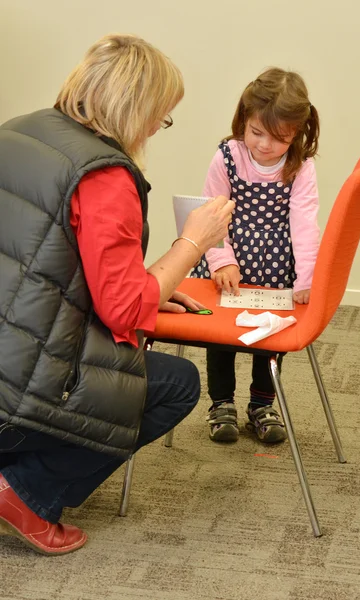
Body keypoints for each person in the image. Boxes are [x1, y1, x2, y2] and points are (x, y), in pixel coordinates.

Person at [0, 33, 234, 555]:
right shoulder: (103, 175)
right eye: (160, 115)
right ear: (136, 107)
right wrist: (192, 242)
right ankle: (24, 492)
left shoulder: (19, 132)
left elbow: (43, 264)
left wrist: (152, 283)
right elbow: (124, 310)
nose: (157, 129)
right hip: (14, 400)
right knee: (176, 384)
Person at [191, 67, 320, 444]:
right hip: (228, 259)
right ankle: (221, 403)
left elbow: (305, 226)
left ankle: (262, 404)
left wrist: (307, 279)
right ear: (243, 121)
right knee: (221, 336)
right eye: (256, 133)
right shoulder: (227, 158)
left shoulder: (301, 168)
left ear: (296, 132)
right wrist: (221, 260)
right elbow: (210, 216)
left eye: (278, 138)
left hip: (277, 264)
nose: (264, 145)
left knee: (271, 336)